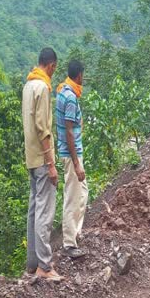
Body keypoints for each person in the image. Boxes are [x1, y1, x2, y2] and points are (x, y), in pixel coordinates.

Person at [22, 47, 62, 281]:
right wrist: (51, 164)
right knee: (45, 212)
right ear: (52, 65)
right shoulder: (43, 87)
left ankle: (32, 263)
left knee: (34, 211)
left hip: (30, 157)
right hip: (42, 158)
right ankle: (45, 267)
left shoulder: (28, 85)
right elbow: (43, 129)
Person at [56, 60, 88, 259]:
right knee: (72, 196)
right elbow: (68, 131)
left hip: (72, 152)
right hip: (71, 154)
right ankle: (69, 243)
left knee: (82, 192)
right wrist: (76, 163)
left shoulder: (64, 91)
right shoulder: (69, 97)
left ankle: (75, 232)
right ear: (79, 75)